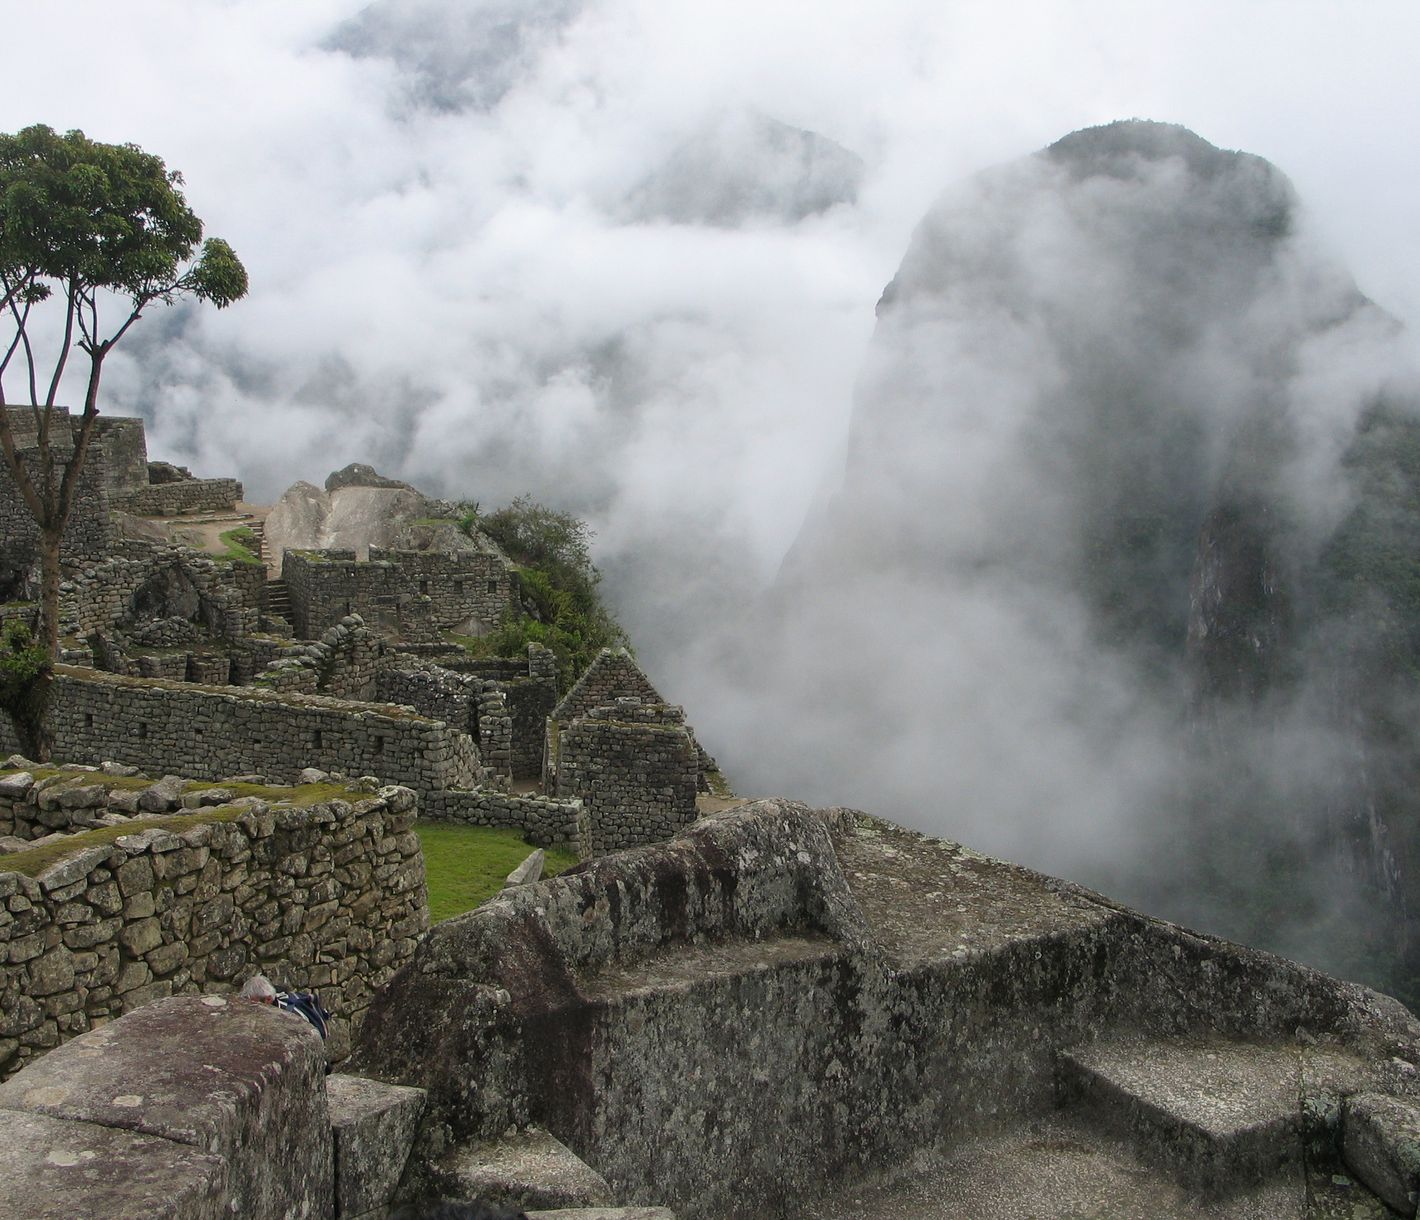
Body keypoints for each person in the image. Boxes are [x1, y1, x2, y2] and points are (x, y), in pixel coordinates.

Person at [239, 974, 331, 1040]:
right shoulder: (271, 1005)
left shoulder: (292, 1016)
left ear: (268, 999)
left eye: (255, 1004)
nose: (251, 1008)